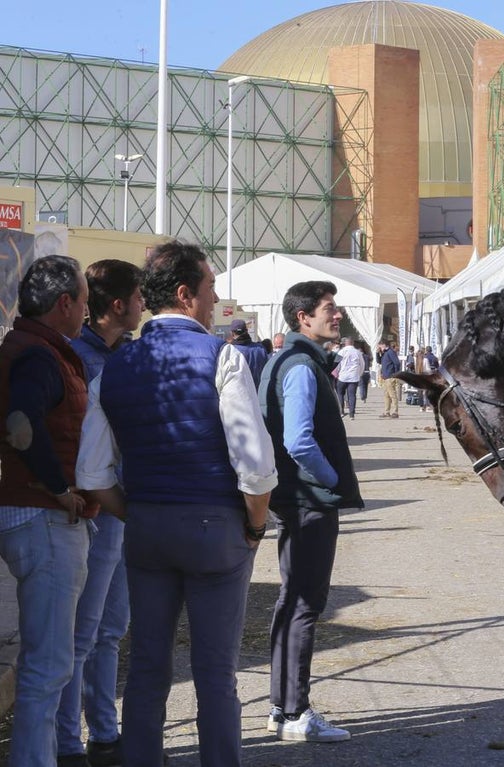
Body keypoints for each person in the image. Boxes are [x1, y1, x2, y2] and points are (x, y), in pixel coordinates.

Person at [86, 241, 277, 767]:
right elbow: (256, 467)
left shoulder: (114, 368)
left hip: (146, 524)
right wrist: (255, 528)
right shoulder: (222, 357)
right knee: (216, 672)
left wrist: (135, 510)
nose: (217, 301)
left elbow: (91, 474)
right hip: (215, 525)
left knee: (147, 667)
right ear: (185, 294)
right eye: (212, 289)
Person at [258, 281, 364, 743]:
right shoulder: (301, 366)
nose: (336, 315)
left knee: (292, 600)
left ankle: (283, 708)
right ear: (303, 317)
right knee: (304, 603)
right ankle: (295, 712)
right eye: (328, 309)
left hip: (297, 498)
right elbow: (298, 438)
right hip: (308, 501)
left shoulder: (288, 360)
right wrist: (332, 480)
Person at [0, 255, 91, 767]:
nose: (86, 309)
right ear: (65, 303)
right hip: (43, 518)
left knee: (45, 662)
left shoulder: (33, 348)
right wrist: (59, 489)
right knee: (48, 665)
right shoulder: (40, 355)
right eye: (82, 300)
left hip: (33, 513)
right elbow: (21, 420)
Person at [58, 259, 143, 767]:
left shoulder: (130, 356)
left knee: (111, 628)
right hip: (89, 509)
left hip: (123, 507)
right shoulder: (74, 358)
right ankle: (68, 742)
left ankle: (104, 732)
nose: (142, 305)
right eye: (137, 297)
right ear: (118, 304)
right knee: (81, 633)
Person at [227, 317, 269, 384]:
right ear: (246, 331)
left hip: (240, 393)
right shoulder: (260, 349)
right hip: (258, 392)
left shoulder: (231, 351)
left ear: (232, 333)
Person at [333, 337, 364, 418]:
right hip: (353, 376)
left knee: (340, 393)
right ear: (352, 343)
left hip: (342, 376)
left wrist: (337, 373)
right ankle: (352, 414)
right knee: (352, 395)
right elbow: (362, 364)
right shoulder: (357, 352)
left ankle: (341, 411)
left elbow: (337, 364)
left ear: (345, 343)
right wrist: (359, 374)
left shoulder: (341, 352)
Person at [377, 341, 402, 419]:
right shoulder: (384, 353)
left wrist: (395, 373)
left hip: (390, 376)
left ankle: (395, 412)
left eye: (380, 346)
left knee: (392, 395)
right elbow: (379, 361)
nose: (379, 348)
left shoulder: (390, 352)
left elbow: (397, 363)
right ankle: (387, 411)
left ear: (384, 345)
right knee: (386, 395)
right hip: (385, 377)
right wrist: (377, 353)